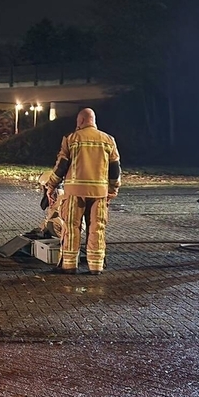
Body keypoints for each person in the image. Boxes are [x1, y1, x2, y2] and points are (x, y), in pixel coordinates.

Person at [45, 108, 121, 275]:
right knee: (97, 228)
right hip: (99, 193)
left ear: (79, 122)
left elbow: (61, 167)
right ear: (94, 121)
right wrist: (112, 191)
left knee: (72, 227)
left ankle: (69, 265)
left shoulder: (71, 139)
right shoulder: (109, 140)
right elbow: (115, 170)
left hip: (74, 192)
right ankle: (96, 266)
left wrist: (51, 186)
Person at [34, 170, 65, 239]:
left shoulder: (60, 195)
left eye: (46, 186)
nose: (45, 188)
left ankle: (64, 242)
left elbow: (53, 213)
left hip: (68, 225)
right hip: (63, 223)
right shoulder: (53, 195)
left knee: (50, 224)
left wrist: (44, 228)